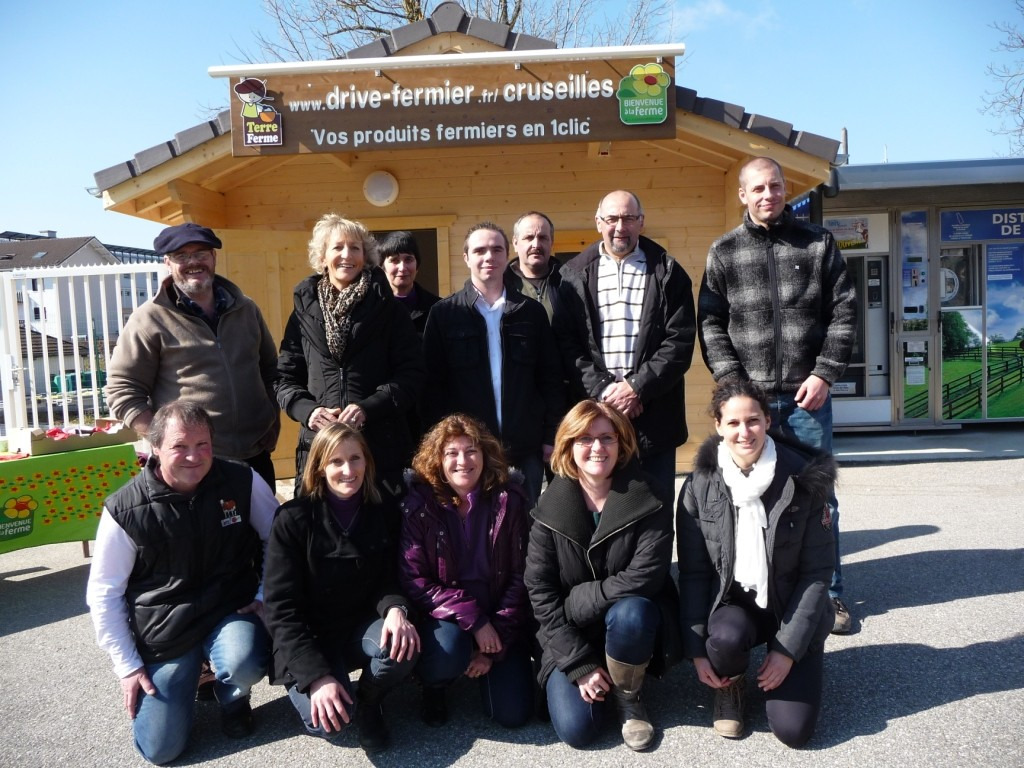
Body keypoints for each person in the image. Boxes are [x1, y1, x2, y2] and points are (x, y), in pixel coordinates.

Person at [698, 156, 857, 634]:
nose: (769, 195)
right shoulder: (724, 251)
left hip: (808, 399)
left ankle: (830, 596)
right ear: (743, 195)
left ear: (787, 190)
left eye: (776, 186)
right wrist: (734, 388)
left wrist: (826, 372)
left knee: (818, 497)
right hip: (751, 407)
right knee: (750, 495)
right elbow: (710, 322)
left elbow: (845, 311)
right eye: (758, 188)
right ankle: (757, 590)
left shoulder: (818, 244)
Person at [86, 400, 277, 765]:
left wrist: (264, 594)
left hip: (227, 609)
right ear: (155, 448)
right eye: (179, 446)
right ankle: (189, 680)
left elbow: (277, 536)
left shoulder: (240, 480)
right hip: (166, 630)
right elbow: (103, 594)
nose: (194, 456)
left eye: (202, 444)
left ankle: (232, 698)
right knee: (160, 749)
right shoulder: (125, 510)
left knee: (245, 661)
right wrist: (127, 666)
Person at [676, 380, 836, 747]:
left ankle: (799, 659)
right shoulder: (699, 484)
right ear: (718, 426)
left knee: (793, 731)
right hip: (734, 607)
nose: (744, 432)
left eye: (753, 421)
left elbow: (816, 575)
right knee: (725, 638)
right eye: (733, 423)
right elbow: (694, 574)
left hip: (791, 605)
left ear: (767, 419)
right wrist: (697, 650)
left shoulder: (805, 477)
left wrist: (786, 650)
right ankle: (731, 685)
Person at [525, 400, 679, 751]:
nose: (597, 448)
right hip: (569, 635)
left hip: (626, 623)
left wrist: (578, 601)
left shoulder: (649, 495)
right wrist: (579, 664)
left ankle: (629, 694)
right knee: (578, 731)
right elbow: (539, 590)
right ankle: (594, 674)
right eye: (584, 438)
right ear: (568, 445)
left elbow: (646, 576)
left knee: (632, 611)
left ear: (621, 443)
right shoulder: (548, 508)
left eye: (607, 437)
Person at [263, 423, 420, 754]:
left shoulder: (382, 510)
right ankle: (331, 689)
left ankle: (370, 699)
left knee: (401, 644)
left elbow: (389, 577)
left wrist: (395, 609)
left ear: (367, 462)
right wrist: (317, 678)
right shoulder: (292, 519)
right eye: (336, 462)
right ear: (319, 467)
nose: (348, 470)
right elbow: (281, 609)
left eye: (355, 458)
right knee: (331, 723)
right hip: (309, 638)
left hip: (356, 628)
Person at [105, 222, 280, 488]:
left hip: (255, 455)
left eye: (200, 253)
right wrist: (164, 441)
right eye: (181, 256)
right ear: (167, 262)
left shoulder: (246, 309)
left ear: (214, 258)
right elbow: (122, 391)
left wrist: (271, 423)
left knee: (266, 529)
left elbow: (271, 371)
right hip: (193, 465)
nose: (193, 262)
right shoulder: (149, 319)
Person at [555, 190, 696, 501]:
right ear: (598, 223)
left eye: (629, 218)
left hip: (653, 418)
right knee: (599, 512)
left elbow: (680, 341)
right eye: (612, 218)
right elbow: (567, 345)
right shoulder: (572, 276)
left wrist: (636, 388)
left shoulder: (668, 272)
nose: (620, 226)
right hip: (596, 420)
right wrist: (605, 391)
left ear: (641, 222)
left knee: (654, 511)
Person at [399, 413, 535, 729]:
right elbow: (414, 578)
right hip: (448, 619)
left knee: (513, 715)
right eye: (452, 453)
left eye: (471, 450)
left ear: (485, 455)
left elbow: (522, 576)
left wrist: (494, 638)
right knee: (447, 650)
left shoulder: (509, 501)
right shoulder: (419, 505)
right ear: (438, 460)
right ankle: (434, 686)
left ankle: (486, 661)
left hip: (501, 615)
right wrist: (475, 622)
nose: (463, 461)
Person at [276, 213, 424, 496]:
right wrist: (309, 412)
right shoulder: (303, 314)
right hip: (321, 448)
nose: (347, 255)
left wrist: (368, 408)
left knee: (383, 533)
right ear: (322, 257)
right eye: (338, 247)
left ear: (365, 257)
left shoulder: (389, 310)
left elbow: (412, 375)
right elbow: (284, 378)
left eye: (355, 248)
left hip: (380, 447)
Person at [422, 222, 564, 505]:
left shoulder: (530, 313)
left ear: (506, 254)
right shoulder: (445, 314)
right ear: (466, 257)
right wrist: (441, 446)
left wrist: (552, 436)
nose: (489, 257)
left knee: (526, 534)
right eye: (480, 250)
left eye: (497, 249)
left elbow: (550, 379)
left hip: (525, 450)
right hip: (468, 454)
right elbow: (431, 387)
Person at [503, 211, 564, 323]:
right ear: (515, 243)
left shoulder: (568, 282)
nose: (536, 245)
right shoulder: (502, 285)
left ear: (551, 243)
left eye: (543, 238)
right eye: (529, 238)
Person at [378, 230, 440, 335]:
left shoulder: (437, 309)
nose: (402, 268)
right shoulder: (371, 309)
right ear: (382, 267)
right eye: (394, 260)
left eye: (408, 260)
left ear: (417, 266)